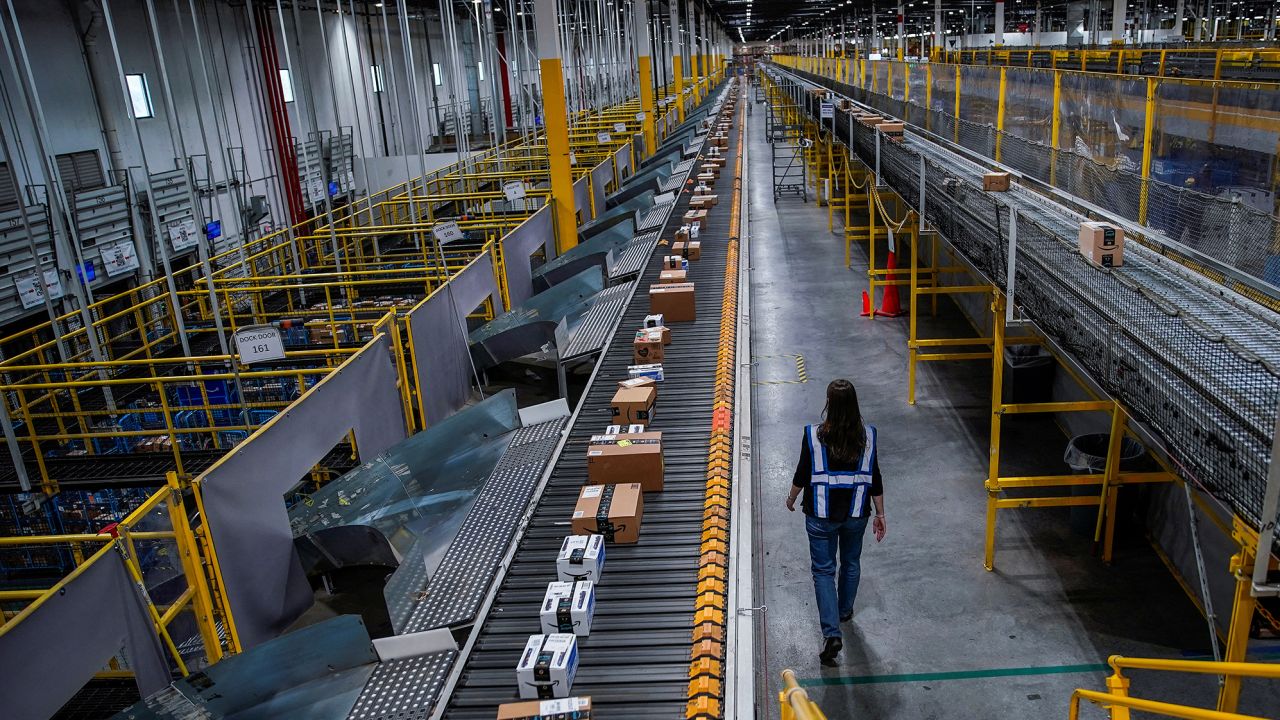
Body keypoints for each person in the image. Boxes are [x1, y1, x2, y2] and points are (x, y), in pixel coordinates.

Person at [786, 379, 886, 665]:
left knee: (823, 571)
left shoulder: (814, 436)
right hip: (856, 514)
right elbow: (875, 478)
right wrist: (880, 514)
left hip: (820, 515)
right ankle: (844, 611)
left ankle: (832, 633)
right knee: (851, 562)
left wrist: (791, 498)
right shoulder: (867, 436)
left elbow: (802, 472)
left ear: (829, 404)